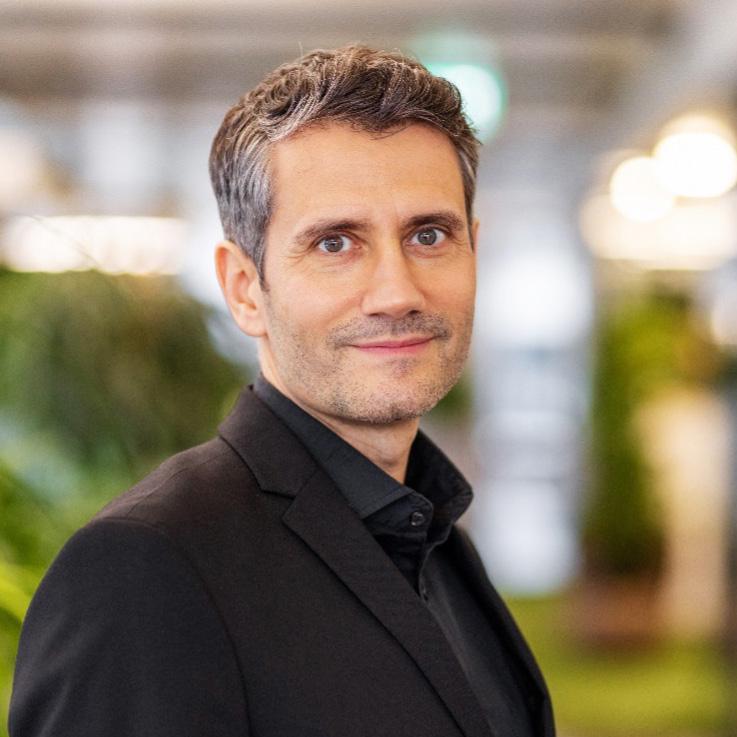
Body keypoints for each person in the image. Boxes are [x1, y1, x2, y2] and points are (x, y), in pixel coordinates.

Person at [9, 45, 554, 737]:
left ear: (473, 250)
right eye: (335, 243)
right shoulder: (143, 570)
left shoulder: (440, 547)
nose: (396, 292)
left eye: (428, 234)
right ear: (244, 289)